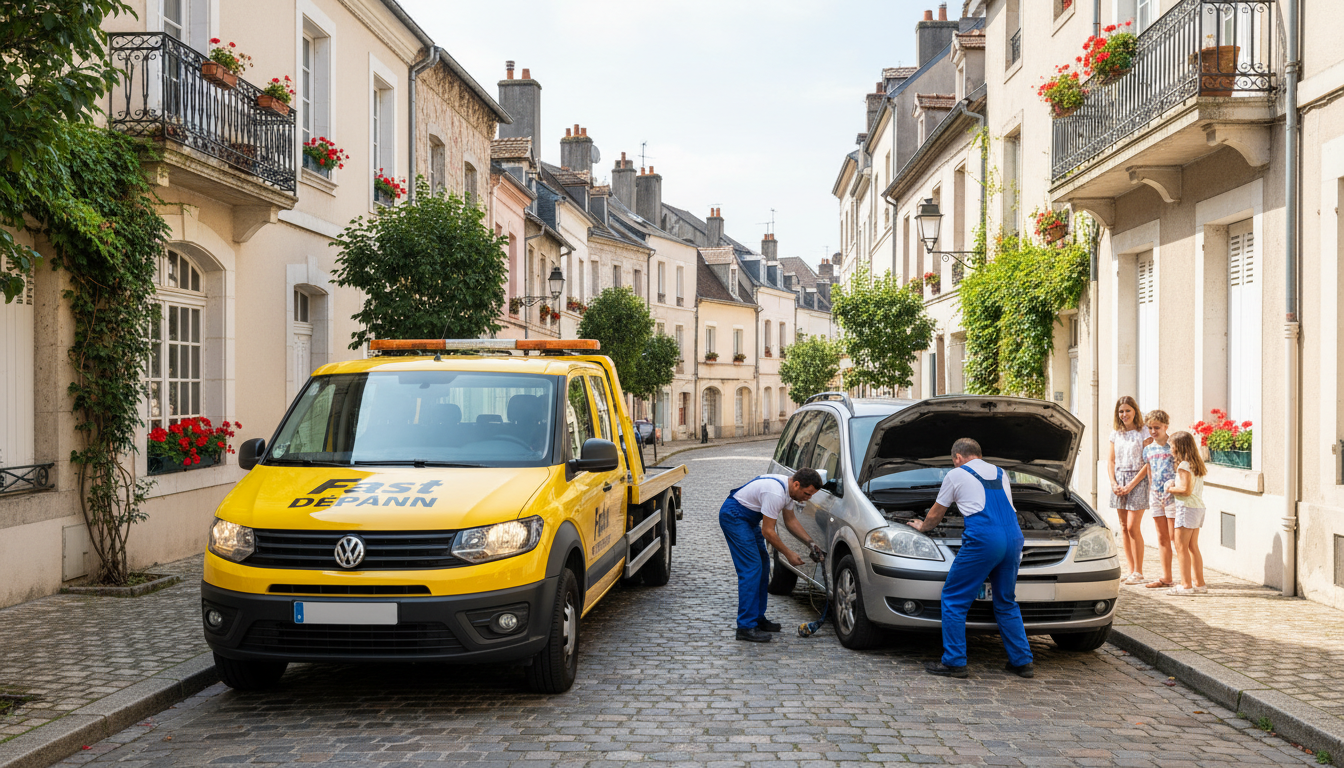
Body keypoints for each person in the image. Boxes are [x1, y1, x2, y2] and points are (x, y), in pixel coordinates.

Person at [907, 438, 1034, 679]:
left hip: (985, 539)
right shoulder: (1001, 473)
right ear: (979, 454)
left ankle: (954, 662)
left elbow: (936, 513)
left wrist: (923, 526)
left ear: (957, 457)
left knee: (954, 598)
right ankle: (1022, 662)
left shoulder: (955, 475)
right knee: (1006, 601)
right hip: (1014, 538)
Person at [719, 468, 824, 642]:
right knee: (752, 569)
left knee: (763, 564)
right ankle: (745, 626)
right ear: (796, 484)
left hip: (748, 519)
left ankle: (757, 618)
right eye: (807, 493)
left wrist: (810, 543)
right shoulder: (776, 493)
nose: (808, 498)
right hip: (735, 517)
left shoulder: (789, 491)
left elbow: (790, 521)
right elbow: (768, 531)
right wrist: (788, 554)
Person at [1108, 396, 1151, 585]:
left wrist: (1131, 485)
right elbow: (1111, 461)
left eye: (1127, 410)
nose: (1124, 414)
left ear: (1135, 411)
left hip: (1138, 481)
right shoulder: (1115, 434)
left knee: (1133, 526)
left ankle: (1139, 572)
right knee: (1124, 527)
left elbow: (1148, 462)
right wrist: (1113, 483)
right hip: (1119, 481)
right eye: (1121, 411)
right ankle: (1131, 569)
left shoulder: (1144, 432)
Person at [1165, 431, 1208, 595]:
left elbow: (1185, 490)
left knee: (1181, 546)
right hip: (1197, 508)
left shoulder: (1183, 465)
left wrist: (1170, 488)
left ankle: (1186, 585)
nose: (1170, 449)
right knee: (1193, 546)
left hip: (1187, 508)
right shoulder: (1196, 464)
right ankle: (1199, 583)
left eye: (1172, 446)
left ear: (1179, 447)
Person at [1141, 410, 1178, 589]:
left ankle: (1190, 579)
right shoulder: (1148, 449)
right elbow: (1149, 472)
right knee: (1162, 537)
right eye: (1150, 428)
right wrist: (1151, 493)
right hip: (1155, 495)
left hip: (1173, 496)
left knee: (1176, 538)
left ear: (1165, 426)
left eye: (1157, 427)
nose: (1153, 431)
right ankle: (1166, 577)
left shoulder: (1174, 446)